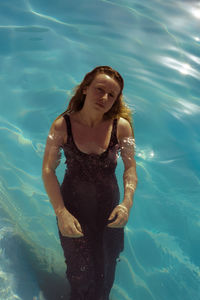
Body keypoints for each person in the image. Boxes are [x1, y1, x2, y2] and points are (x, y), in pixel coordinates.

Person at [42, 66, 137, 300]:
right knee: (80, 275)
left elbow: (131, 168)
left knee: (105, 275)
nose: (104, 98)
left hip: (109, 210)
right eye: (99, 89)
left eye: (111, 95)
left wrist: (126, 203)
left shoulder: (121, 127)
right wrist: (61, 212)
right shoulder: (62, 126)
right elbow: (48, 170)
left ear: (116, 100)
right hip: (73, 208)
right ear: (85, 88)